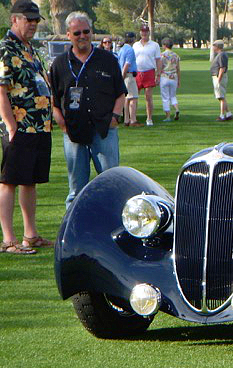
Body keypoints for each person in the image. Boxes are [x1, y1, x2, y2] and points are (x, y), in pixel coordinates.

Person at [49, 11, 126, 208]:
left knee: (111, 184)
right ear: (68, 35)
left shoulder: (107, 60)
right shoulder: (59, 64)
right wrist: (61, 124)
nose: (82, 36)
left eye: (86, 31)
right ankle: (72, 231)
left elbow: (120, 92)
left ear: (91, 32)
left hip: (104, 130)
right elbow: (53, 99)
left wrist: (114, 117)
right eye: (77, 33)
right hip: (74, 132)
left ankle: (114, 225)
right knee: (76, 190)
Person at [0, 0, 52, 255]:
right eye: (27, 19)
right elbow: (0, 90)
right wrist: (10, 125)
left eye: (35, 20)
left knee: (30, 181)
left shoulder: (30, 48)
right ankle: (9, 240)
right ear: (14, 20)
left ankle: (30, 235)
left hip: (39, 126)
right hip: (19, 126)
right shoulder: (6, 48)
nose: (32, 24)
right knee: (9, 181)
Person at [133, 24, 161, 126]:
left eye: (146, 31)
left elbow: (158, 60)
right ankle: (133, 118)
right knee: (135, 96)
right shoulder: (135, 45)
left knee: (148, 97)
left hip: (149, 71)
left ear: (149, 32)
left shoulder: (154, 45)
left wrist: (158, 75)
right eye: (142, 31)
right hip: (137, 72)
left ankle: (149, 118)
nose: (144, 33)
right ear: (140, 32)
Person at [118, 32, 139, 126]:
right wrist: (122, 77)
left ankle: (126, 119)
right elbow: (127, 64)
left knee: (126, 98)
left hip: (123, 75)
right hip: (129, 75)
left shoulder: (122, 49)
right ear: (133, 39)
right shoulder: (130, 49)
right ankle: (133, 120)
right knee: (133, 98)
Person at [210, 39, 232, 121]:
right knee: (220, 97)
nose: (212, 47)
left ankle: (222, 115)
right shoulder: (221, 54)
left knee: (221, 97)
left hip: (219, 77)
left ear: (217, 47)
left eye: (214, 46)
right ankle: (229, 114)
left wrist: (219, 79)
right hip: (218, 77)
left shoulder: (221, 55)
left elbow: (222, 68)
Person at [159, 37, 180, 122]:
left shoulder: (162, 55)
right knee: (173, 96)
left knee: (165, 97)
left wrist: (157, 75)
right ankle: (176, 108)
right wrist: (179, 80)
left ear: (164, 45)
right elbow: (178, 69)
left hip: (164, 77)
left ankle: (168, 116)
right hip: (174, 77)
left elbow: (159, 67)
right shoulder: (176, 55)